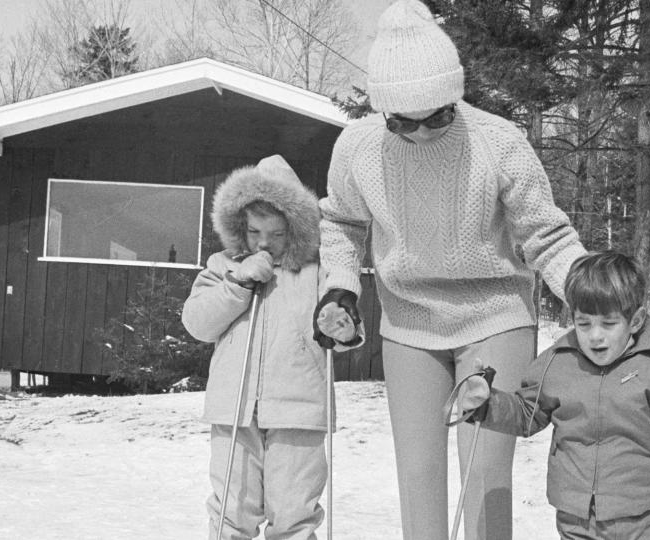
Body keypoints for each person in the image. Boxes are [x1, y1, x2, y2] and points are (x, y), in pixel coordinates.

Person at [313, 1, 588, 538]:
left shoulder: (499, 141)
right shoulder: (357, 147)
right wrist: (339, 290)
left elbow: (546, 235)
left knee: (484, 473)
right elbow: (341, 224)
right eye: (402, 122)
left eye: (436, 116)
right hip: (408, 323)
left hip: (495, 315)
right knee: (418, 474)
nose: (419, 134)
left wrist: (591, 291)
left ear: (455, 96)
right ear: (383, 112)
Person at [456, 251, 650, 539]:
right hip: (575, 517)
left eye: (608, 323)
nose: (595, 336)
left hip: (640, 518)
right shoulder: (559, 362)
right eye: (584, 323)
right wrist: (488, 404)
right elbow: (528, 412)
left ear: (636, 320)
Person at [183, 155, 361, 540]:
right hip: (235, 411)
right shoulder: (222, 266)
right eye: (253, 231)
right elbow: (198, 323)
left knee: (294, 514)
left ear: (295, 229)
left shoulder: (317, 270)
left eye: (277, 234)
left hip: (299, 411)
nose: (263, 243)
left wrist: (342, 329)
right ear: (237, 227)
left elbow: (335, 328)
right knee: (232, 511)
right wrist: (237, 284)